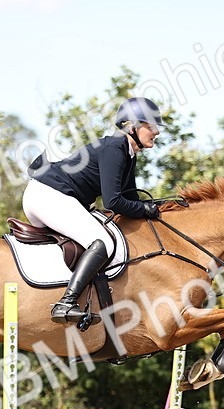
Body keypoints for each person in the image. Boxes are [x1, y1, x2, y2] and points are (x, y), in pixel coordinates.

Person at [23, 97, 165, 325]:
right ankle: (66, 303)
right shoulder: (115, 148)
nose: (156, 132)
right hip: (48, 194)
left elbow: (131, 198)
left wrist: (156, 209)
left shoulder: (127, 153)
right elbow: (114, 202)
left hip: (51, 196)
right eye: (151, 126)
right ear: (132, 126)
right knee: (102, 242)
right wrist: (145, 209)